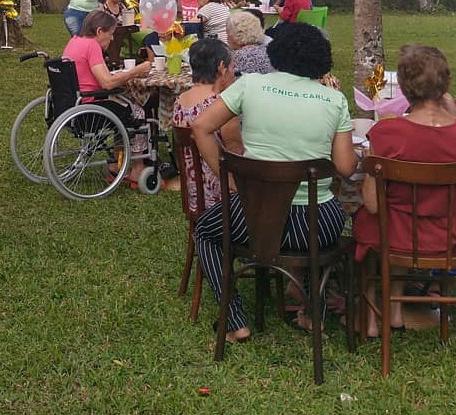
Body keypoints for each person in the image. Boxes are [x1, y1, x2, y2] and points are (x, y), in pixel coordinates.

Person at [191, 23, 356, 341]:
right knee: (319, 233)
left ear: (276, 53)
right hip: (316, 224)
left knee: (206, 232)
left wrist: (229, 180)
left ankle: (235, 320)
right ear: (321, 60)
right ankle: (314, 314)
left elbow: (200, 127)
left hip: (255, 217)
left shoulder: (250, 85)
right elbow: (347, 168)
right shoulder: (333, 101)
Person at [352, 45, 456, 337]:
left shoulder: (387, 133)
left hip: (395, 234)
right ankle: (395, 312)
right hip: (447, 235)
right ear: (445, 85)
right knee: (396, 219)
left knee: (378, 218)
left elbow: (372, 205)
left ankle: (371, 316)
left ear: (405, 89)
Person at [62, 10, 153, 178]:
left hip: (70, 105)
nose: (112, 39)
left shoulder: (74, 41)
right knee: (137, 112)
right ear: (99, 32)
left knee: (123, 108)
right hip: (89, 107)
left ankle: (116, 162)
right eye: (110, 34)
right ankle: (138, 167)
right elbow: (107, 83)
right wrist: (135, 72)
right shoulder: (92, 46)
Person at [172, 39, 241, 213]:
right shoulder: (221, 108)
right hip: (223, 200)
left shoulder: (180, 101)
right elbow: (237, 155)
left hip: (195, 197)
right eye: (232, 67)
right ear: (221, 68)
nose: (234, 73)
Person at [226, 11, 273, 75]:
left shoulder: (239, 56)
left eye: (228, 33)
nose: (227, 37)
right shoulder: (266, 50)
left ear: (237, 34)